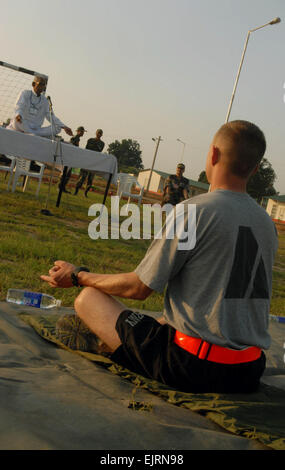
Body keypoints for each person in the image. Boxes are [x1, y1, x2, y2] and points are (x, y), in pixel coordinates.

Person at [40, 120, 278, 394]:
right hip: (248, 370)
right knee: (164, 320)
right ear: (255, 168)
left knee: (88, 300)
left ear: (213, 155)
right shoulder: (267, 225)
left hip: (193, 367)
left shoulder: (194, 211)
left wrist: (77, 275)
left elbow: (139, 288)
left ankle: (111, 346)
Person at [7, 75, 73, 138]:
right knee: (16, 121)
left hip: (36, 129)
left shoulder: (45, 100)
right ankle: (31, 133)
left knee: (57, 128)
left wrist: (64, 126)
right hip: (23, 124)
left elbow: (51, 116)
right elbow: (19, 106)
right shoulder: (25, 93)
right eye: (40, 84)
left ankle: (32, 133)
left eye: (44, 85)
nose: (43, 87)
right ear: (33, 84)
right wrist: (18, 115)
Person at [74, 129, 105, 197]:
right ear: (96, 133)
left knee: (90, 180)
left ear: (101, 135)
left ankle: (85, 193)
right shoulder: (90, 140)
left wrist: (96, 143)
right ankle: (76, 191)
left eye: (100, 133)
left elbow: (99, 150)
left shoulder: (102, 143)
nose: (99, 134)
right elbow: (87, 149)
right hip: (87, 161)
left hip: (94, 163)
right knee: (82, 178)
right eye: (98, 133)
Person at [59, 126, 87, 193]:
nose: (83, 133)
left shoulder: (77, 138)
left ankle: (62, 187)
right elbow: (71, 147)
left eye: (83, 132)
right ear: (78, 131)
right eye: (82, 132)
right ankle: (61, 187)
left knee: (68, 174)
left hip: (71, 158)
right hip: (69, 158)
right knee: (66, 173)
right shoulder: (75, 138)